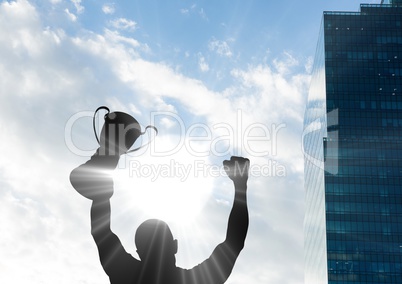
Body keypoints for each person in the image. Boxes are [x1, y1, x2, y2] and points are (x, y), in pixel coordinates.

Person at [70, 114, 249, 284]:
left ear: (139, 252)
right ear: (175, 246)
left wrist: (105, 169)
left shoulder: (123, 272)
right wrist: (240, 185)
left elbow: (101, 232)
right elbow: (234, 241)